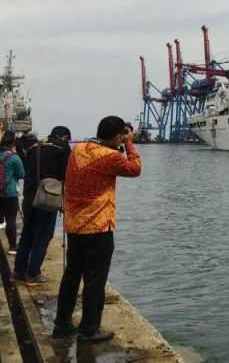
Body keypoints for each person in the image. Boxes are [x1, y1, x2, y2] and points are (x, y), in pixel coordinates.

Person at [53, 117, 141, 343]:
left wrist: (118, 142)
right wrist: (129, 144)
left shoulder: (79, 149)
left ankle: (62, 324)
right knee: (94, 280)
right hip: (98, 227)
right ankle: (89, 329)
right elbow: (135, 168)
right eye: (122, 135)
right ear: (117, 136)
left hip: (74, 225)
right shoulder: (111, 157)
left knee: (71, 276)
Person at [13, 127, 71, 284]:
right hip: (47, 197)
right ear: (64, 137)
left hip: (29, 196)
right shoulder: (62, 147)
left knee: (28, 233)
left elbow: (25, 171)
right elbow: (68, 175)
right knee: (44, 235)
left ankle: (18, 272)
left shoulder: (34, 147)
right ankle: (33, 272)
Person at [0, 132, 25, 253]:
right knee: (10, 220)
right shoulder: (14, 158)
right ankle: (12, 247)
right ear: (13, 143)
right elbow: (21, 174)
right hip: (10, 193)